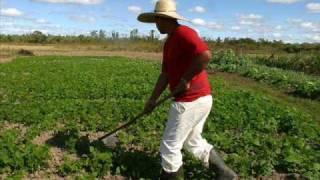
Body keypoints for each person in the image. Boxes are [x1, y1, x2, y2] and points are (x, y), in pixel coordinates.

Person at [138, 0, 237, 179]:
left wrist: (185, 78)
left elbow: (205, 55)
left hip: (190, 100)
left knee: (169, 146)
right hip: (199, 100)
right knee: (193, 142)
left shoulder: (184, 32)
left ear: (163, 18)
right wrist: (152, 100)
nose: (155, 24)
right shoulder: (169, 42)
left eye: (157, 20)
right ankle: (226, 175)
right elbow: (165, 74)